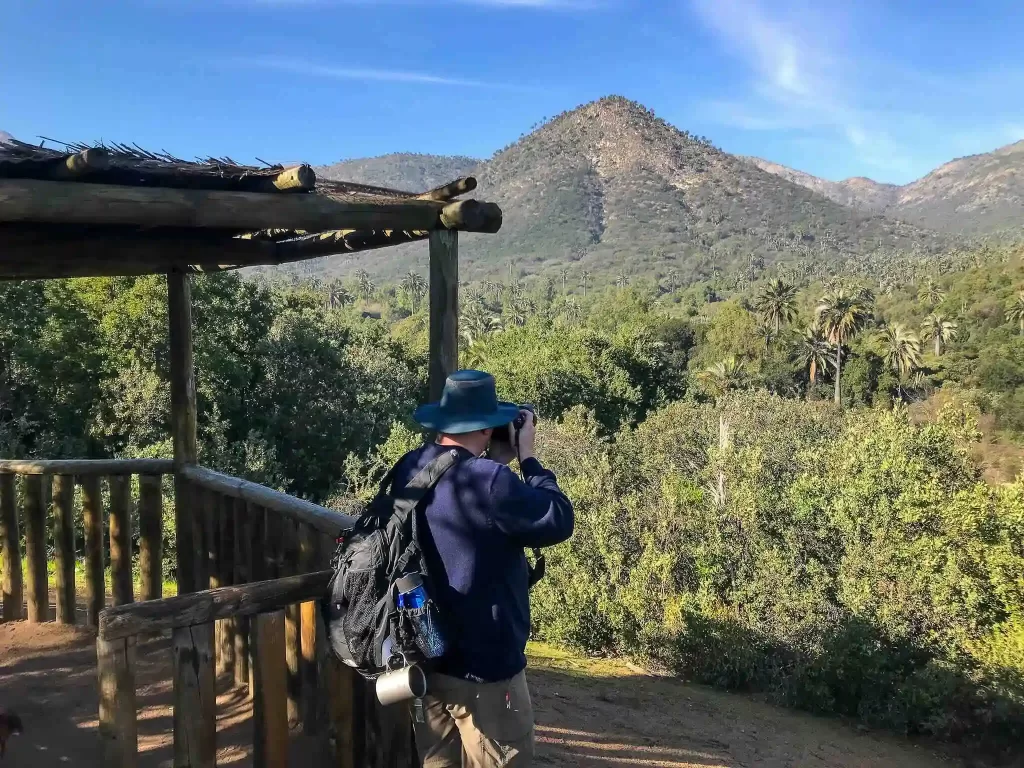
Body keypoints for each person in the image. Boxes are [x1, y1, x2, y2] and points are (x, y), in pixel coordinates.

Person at [390, 369, 575, 768]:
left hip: (425, 655)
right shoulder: (491, 482)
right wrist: (528, 458)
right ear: (488, 428)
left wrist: (494, 462)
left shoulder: (409, 467)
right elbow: (558, 519)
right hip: (486, 674)